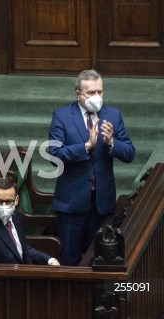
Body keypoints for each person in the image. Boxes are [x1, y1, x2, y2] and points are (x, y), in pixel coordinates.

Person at [48, 69, 135, 266]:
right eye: (90, 93)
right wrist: (86, 147)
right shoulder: (62, 116)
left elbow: (129, 153)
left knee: (97, 260)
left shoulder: (112, 115)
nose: (96, 97)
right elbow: (54, 155)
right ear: (78, 94)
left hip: (101, 204)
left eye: (99, 92)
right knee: (70, 259)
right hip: (71, 204)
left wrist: (112, 141)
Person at [0, 178, 60, 265]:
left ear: (16, 200)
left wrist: (49, 260)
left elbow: (21, 248)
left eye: (8, 201)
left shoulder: (15, 215)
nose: (4, 206)